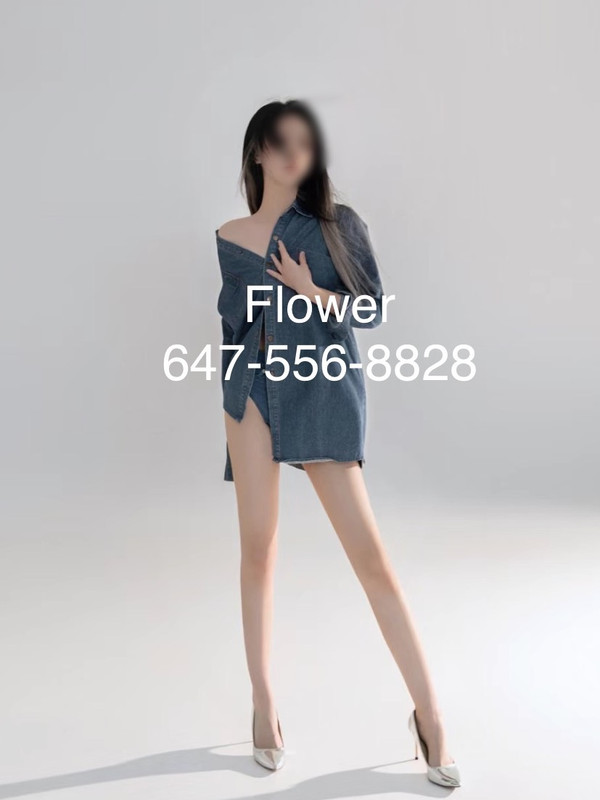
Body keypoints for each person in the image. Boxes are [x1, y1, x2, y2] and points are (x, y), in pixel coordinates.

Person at [215, 99, 460, 788]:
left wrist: (310, 290)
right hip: (252, 393)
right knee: (258, 552)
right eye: (281, 142)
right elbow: (234, 325)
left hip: (321, 390)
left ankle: (430, 717)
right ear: (258, 151)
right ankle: (264, 706)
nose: (295, 153)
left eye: (306, 142)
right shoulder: (229, 235)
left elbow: (372, 308)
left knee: (372, 560)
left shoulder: (336, 224)